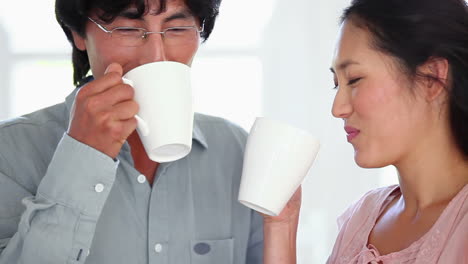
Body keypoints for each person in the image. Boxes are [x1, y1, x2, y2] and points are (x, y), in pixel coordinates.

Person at [0, 0, 263, 263]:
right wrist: (82, 155)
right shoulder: (10, 150)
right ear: (79, 34)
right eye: (127, 30)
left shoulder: (236, 149)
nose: (156, 56)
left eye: (177, 29)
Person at [263, 0, 468, 263]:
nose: (338, 108)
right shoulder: (363, 218)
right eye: (336, 85)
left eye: (355, 80)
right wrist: (281, 225)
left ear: (431, 77)